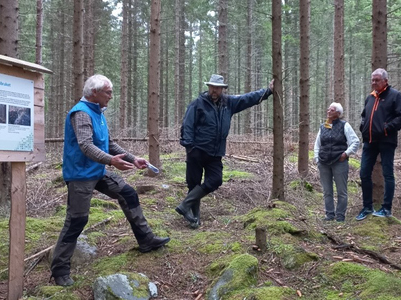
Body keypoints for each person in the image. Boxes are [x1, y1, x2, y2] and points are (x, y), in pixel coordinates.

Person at [51, 75, 170, 287]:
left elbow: (110, 144)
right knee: (77, 220)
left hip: (97, 170)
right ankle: (60, 270)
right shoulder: (81, 113)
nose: (111, 96)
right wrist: (111, 161)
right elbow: (86, 146)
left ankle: (146, 240)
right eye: (108, 92)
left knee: (129, 193)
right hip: (80, 175)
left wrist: (133, 159)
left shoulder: (98, 113)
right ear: (94, 93)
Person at [177, 74, 274, 229]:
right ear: (208, 87)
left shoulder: (228, 104)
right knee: (193, 183)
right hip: (197, 151)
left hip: (215, 153)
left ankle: (184, 205)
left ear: (222, 89)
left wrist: (268, 91)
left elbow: (248, 99)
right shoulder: (197, 104)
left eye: (218, 88)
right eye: (212, 87)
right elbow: (187, 126)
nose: (215, 90)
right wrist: (189, 148)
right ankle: (194, 219)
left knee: (215, 180)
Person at [355, 68, 401, 220]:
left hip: (386, 140)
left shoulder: (395, 96)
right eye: (372, 80)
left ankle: (386, 208)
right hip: (369, 141)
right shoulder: (370, 97)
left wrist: (387, 128)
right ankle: (367, 207)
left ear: (386, 81)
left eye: (377, 80)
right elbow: (364, 116)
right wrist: (363, 127)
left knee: (387, 174)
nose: (374, 82)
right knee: (364, 173)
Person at [314, 102, 361, 222]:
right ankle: (329, 215)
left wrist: (346, 154)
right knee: (327, 191)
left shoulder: (344, 125)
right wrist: (317, 158)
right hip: (323, 162)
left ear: (338, 113)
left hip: (339, 162)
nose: (328, 111)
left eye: (332, 110)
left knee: (342, 191)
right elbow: (317, 144)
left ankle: (340, 216)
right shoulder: (323, 126)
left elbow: (355, 141)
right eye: (328, 109)